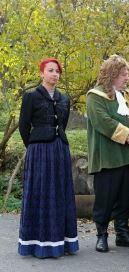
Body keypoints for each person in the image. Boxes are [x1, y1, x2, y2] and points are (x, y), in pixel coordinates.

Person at [17, 58, 79, 258]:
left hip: (60, 150)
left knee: (59, 193)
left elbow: (63, 124)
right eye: (50, 71)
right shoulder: (31, 96)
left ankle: (61, 243)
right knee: (40, 193)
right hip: (39, 151)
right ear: (41, 73)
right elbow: (24, 126)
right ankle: (36, 243)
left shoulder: (64, 99)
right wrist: (35, 146)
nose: (55, 74)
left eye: (57, 71)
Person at [86, 55, 129, 252]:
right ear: (112, 75)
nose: (126, 77)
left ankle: (122, 234)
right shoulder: (95, 96)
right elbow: (102, 121)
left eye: (127, 74)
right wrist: (128, 135)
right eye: (123, 74)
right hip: (108, 156)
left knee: (124, 198)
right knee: (105, 199)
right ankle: (101, 235)